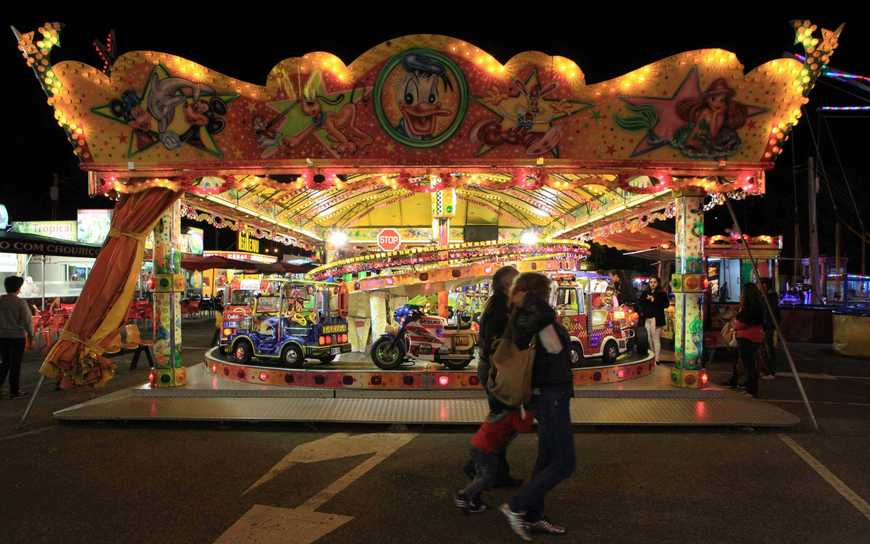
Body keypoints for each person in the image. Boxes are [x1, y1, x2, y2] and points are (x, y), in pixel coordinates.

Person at [501, 272, 575, 541]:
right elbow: (553, 351)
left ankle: (533, 515)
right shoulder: (535, 318)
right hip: (551, 395)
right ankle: (516, 507)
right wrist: (533, 297)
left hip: (550, 394)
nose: (550, 295)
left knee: (545, 460)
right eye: (547, 291)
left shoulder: (532, 317)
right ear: (537, 293)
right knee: (565, 463)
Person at [464, 265, 522, 488]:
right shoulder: (501, 308)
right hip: (497, 370)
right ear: (507, 285)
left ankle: (494, 470)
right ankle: (478, 464)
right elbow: (497, 344)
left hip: (495, 368)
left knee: (503, 420)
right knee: (503, 421)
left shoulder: (499, 305)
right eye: (517, 281)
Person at [454, 405, 535, 513]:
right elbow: (523, 428)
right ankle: (464, 495)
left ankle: (473, 500)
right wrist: (531, 411)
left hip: (480, 446)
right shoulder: (513, 413)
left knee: (485, 476)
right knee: (486, 477)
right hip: (485, 449)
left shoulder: (501, 410)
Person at [0, 276, 34, 399]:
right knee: (15, 364)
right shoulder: (20, 302)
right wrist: (31, 335)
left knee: (5, 362)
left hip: (2, 336)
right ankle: (14, 390)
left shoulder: (1, 300)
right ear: (18, 288)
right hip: (17, 337)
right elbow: (27, 321)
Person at [733, 283, 765, 398]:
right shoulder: (759, 305)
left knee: (749, 365)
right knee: (751, 364)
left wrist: (735, 322)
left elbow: (740, 323)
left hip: (746, 337)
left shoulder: (749, 308)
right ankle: (749, 388)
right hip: (756, 336)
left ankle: (751, 390)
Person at [638, 277, 669, 362]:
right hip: (647, 318)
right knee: (648, 338)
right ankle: (652, 355)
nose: (652, 284)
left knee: (655, 338)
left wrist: (654, 300)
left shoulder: (662, 293)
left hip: (656, 319)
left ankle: (657, 359)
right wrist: (645, 300)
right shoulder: (645, 292)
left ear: (658, 283)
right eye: (651, 282)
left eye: (654, 282)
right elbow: (640, 302)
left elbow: (666, 304)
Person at [758, 277, 781, 379]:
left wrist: (765, 325)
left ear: (765, 286)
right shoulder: (768, 297)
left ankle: (770, 371)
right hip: (767, 325)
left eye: (760, 285)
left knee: (768, 348)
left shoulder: (770, 298)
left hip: (767, 326)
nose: (759, 287)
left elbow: (769, 314)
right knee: (766, 348)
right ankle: (767, 370)